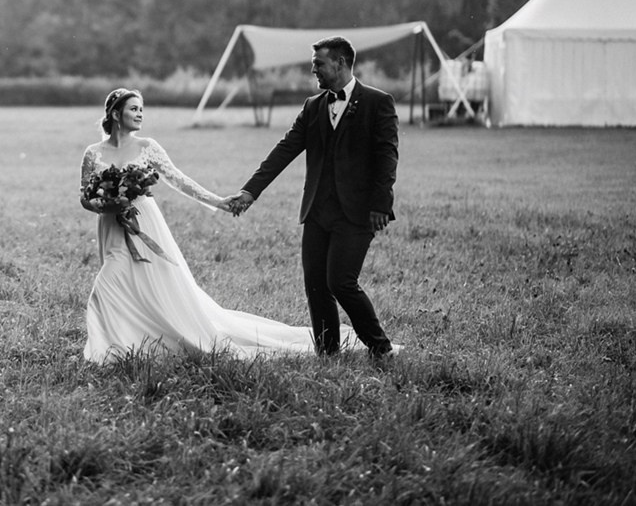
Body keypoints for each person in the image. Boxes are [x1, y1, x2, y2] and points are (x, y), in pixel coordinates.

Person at [81, 87, 347, 363]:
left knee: (132, 283)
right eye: (134, 109)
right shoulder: (93, 153)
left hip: (144, 222)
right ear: (115, 113)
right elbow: (84, 197)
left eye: (141, 109)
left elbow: (180, 181)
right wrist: (107, 205)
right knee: (117, 279)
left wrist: (218, 201)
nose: (140, 114)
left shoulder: (148, 147)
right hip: (112, 225)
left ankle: (115, 349)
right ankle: (118, 345)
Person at [227, 36, 399, 359]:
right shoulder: (313, 106)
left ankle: (381, 348)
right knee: (316, 284)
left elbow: (387, 158)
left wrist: (380, 204)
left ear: (340, 63)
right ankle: (327, 352)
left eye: (318, 63)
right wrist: (250, 191)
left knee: (341, 281)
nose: (313, 70)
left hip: (359, 212)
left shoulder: (379, 103)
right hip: (318, 211)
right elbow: (285, 149)